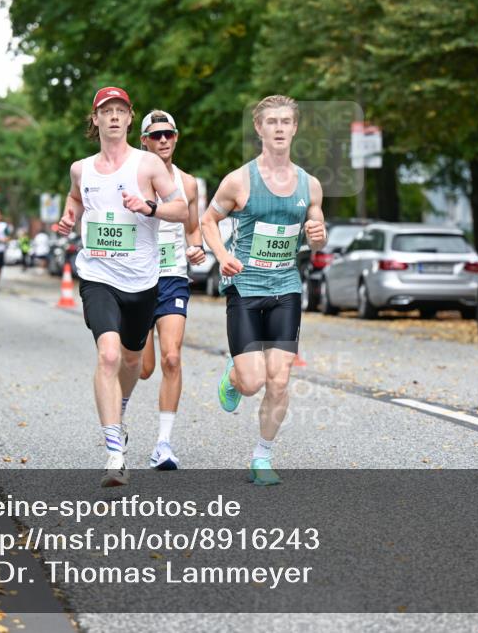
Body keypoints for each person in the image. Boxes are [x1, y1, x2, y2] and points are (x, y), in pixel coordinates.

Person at [56, 86, 187, 487]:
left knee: (132, 362)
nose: (113, 116)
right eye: (105, 111)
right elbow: (75, 197)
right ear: (94, 120)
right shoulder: (81, 168)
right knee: (108, 356)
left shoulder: (148, 164)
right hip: (97, 276)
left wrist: (148, 207)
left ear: (130, 119)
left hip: (142, 280)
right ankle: (115, 453)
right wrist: (68, 216)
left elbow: (181, 209)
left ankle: (121, 408)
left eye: (120, 110)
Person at [201, 95, 327, 486]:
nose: (278, 128)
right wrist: (221, 255)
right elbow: (207, 220)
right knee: (253, 381)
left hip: (286, 286)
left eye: (285, 121)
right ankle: (234, 376)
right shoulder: (240, 180)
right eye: (270, 121)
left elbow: (317, 235)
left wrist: (318, 237)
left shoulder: (310, 184)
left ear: (294, 128)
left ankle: (262, 457)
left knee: (279, 379)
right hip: (245, 285)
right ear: (258, 128)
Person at [136, 110, 207, 470]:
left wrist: (197, 247)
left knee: (172, 358)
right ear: (144, 140)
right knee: (144, 367)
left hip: (173, 277)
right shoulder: (132, 178)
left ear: (176, 138)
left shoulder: (189, 184)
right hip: (136, 279)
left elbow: (193, 230)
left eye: (169, 134)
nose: (163, 140)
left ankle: (163, 444)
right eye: (156, 135)